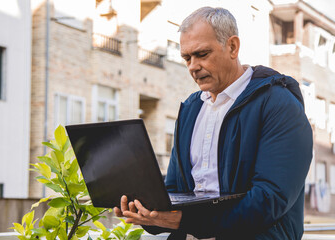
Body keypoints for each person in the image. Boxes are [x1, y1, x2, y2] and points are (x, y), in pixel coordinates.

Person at [114, 6, 313, 240]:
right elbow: (176, 189)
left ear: (232, 47)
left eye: (202, 54)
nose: (192, 66)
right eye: (186, 57)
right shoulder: (191, 109)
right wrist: (150, 214)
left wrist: (183, 221)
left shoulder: (279, 104)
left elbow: (269, 200)